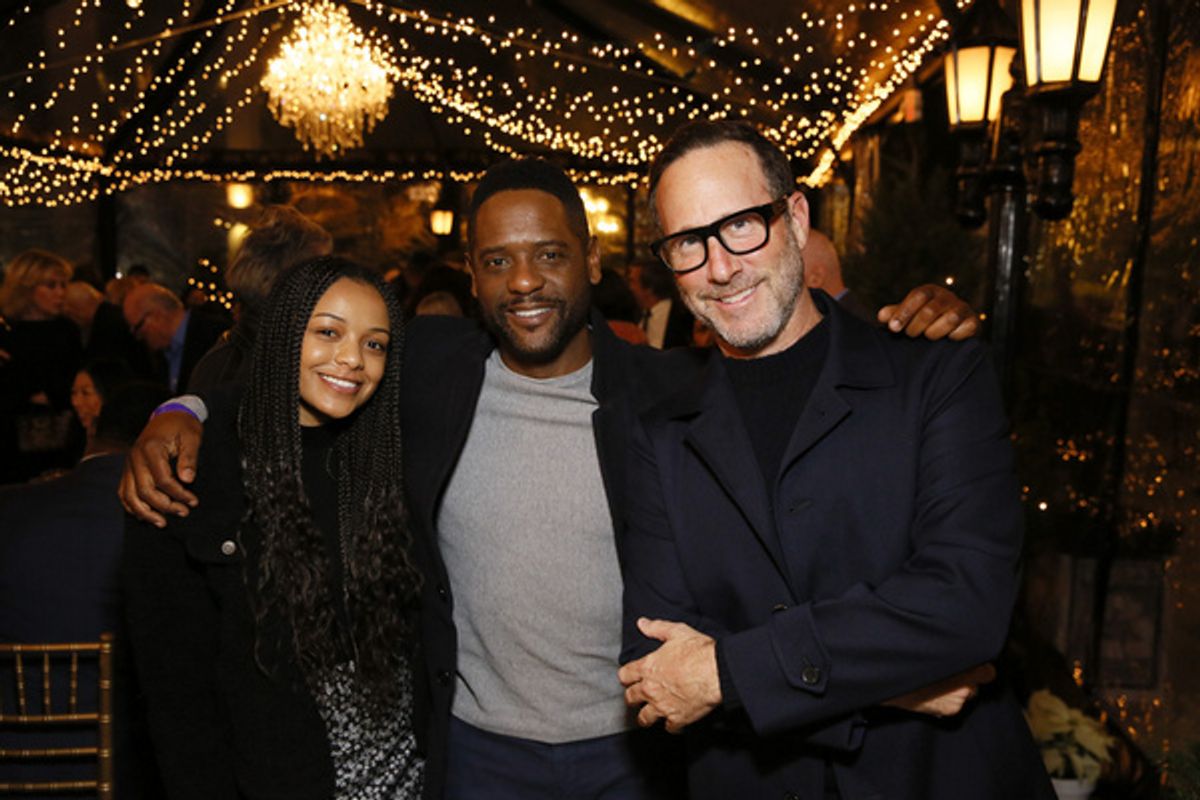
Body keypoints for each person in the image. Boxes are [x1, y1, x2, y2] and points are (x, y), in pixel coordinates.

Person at [119, 160, 984, 800]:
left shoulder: (672, 387)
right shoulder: (427, 369)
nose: (523, 280)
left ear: (591, 256)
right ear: (471, 271)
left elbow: (800, 384)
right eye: (496, 261)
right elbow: (297, 374)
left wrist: (902, 327)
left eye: (546, 255)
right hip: (475, 752)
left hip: (636, 756)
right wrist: (183, 412)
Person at [615, 119, 1052, 800]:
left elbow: (965, 604)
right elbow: (658, 674)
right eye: (687, 243)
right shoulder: (661, 432)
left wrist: (725, 675)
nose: (720, 266)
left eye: (740, 226)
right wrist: (895, 686)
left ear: (793, 216)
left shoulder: (936, 374)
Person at [121, 256, 424, 800]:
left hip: (405, 779)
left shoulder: (388, 453)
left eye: (374, 344)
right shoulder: (191, 469)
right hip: (272, 776)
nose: (352, 359)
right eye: (328, 332)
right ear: (284, 332)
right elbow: (175, 695)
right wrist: (179, 409)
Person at [188, 204, 333, 390]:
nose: (331, 281)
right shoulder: (255, 368)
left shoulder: (249, 350)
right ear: (287, 280)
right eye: (322, 271)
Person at [0, 249, 83, 483]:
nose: (60, 293)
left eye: (63, 285)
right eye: (51, 285)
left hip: (63, 440)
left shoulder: (68, 330)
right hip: (10, 446)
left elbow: (71, 382)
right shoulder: (6, 331)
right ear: (26, 289)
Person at [122, 282, 227, 393]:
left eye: (138, 328)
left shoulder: (218, 337)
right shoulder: (159, 356)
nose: (138, 337)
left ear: (157, 315)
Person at [628, 259, 695, 349]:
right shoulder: (633, 316)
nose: (629, 287)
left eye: (632, 281)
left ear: (649, 288)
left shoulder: (683, 316)